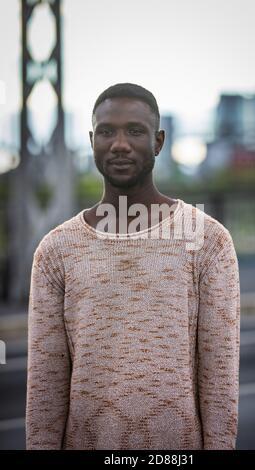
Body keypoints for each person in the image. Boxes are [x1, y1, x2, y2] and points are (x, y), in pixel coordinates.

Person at [26, 83, 240, 450]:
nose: (119, 144)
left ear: (158, 142)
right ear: (92, 141)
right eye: (107, 131)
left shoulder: (208, 240)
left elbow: (220, 382)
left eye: (135, 131)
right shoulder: (55, 251)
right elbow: (45, 389)